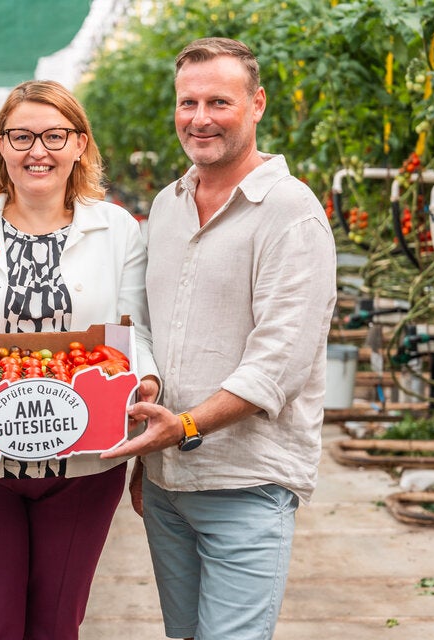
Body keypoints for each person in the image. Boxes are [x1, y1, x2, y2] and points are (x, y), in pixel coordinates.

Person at [0, 79, 161, 639]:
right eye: (20, 136)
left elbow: (133, 331)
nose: (37, 151)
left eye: (54, 136)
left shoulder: (118, 229)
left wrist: (144, 378)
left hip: (83, 461)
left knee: (56, 624)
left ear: (80, 143)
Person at [101, 38, 337, 640]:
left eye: (219, 102)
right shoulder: (168, 205)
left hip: (245, 483)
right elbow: (149, 330)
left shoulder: (290, 213)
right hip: (167, 485)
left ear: (257, 104)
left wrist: (181, 427)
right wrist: (149, 457)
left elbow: (277, 366)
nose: (200, 118)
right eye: (188, 102)